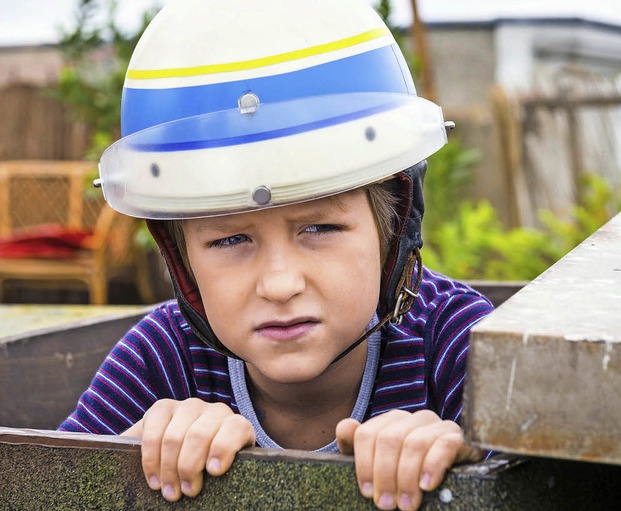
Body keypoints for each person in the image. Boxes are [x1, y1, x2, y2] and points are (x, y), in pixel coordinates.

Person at [58, 1, 494, 510]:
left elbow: (541, 477)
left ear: (393, 230)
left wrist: (471, 454)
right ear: (183, 261)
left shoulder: (455, 337)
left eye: (320, 227)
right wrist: (125, 458)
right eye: (229, 240)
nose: (280, 283)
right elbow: (44, 489)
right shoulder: (163, 359)